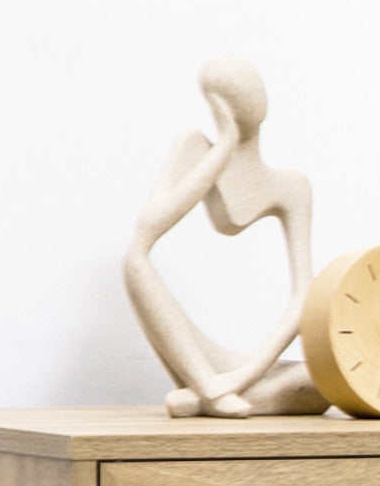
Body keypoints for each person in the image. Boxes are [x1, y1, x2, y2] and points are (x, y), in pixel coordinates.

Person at [123, 57, 326, 417]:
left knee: (323, 379)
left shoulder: (292, 186)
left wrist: (242, 376)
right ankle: (206, 389)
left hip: (249, 370)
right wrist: (225, 145)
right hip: (199, 357)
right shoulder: (195, 149)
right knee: (134, 261)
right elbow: (146, 232)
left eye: (249, 90)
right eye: (228, 94)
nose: (246, 101)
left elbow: (304, 297)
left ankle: (203, 397)